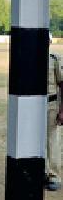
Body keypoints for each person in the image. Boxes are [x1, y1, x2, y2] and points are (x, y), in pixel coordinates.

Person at [45, 34, 63, 191]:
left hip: (51, 104)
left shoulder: (54, 60)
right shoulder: (31, 59)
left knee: (52, 141)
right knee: (36, 141)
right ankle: (43, 172)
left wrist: (62, 110)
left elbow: (62, 85)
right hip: (34, 107)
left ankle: (55, 175)